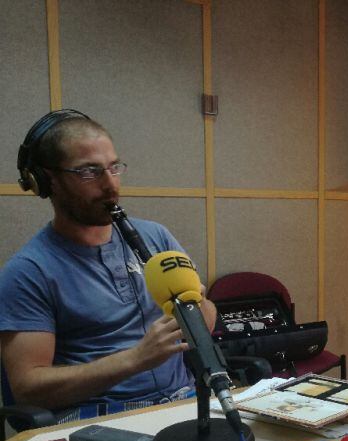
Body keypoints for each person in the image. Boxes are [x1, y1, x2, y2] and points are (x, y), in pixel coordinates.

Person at [0, 109, 217, 422]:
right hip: (95, 417)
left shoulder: (155, 236)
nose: (110, 184)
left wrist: (197, 307)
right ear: (48, 180)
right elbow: (28, 388)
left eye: (114, 167)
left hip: (182, 400)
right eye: (89, 172)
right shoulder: (28, 272)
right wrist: (135, 359)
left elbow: (205, 324)